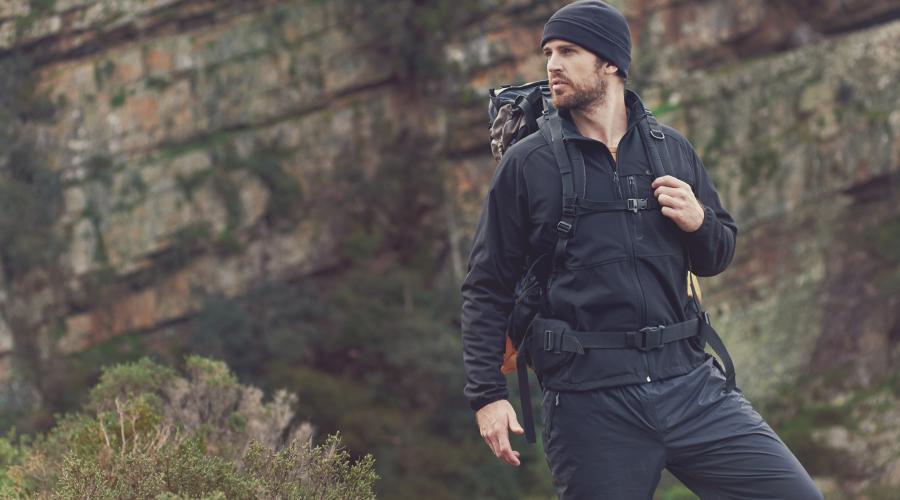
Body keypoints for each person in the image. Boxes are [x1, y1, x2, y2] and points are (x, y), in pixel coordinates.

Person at [460, 1, 823, 498]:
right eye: (548, 52)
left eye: (568, 51)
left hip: (691, 385)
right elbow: (486, 285)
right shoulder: (529, 164)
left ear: (611, 62)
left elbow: (716, 255)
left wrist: (698, 222)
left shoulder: (670, 148)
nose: (552, 65)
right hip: (590, 405)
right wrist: (486, 396)